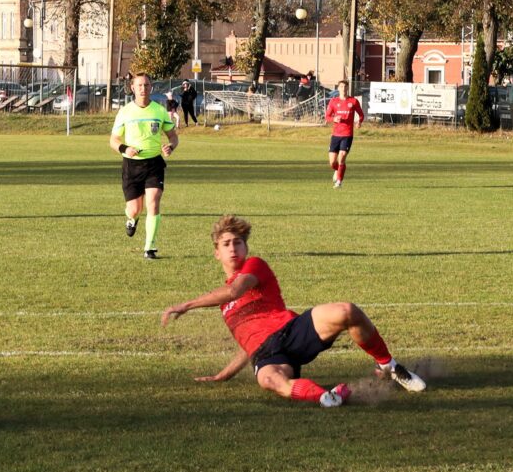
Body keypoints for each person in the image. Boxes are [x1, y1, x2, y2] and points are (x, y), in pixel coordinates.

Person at [161, 215, 427, 408]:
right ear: (216, 253)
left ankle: (389, 366)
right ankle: (327, 397)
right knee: (270, 381)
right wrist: (224, 374)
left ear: (246, 248)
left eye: (238, 242)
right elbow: (248, 344)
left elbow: (235, 291)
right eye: (226, 244)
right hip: (267, 354)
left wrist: (186, 305)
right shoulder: (223, 306)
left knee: (347, 310)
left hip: (290, 330)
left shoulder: (254, 266)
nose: (233, 248)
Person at [108, 73, 179, 259]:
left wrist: (170, 147)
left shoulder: (159, 111)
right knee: (134, 209)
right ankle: (132, 219)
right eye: (139, 85)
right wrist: (125, 148)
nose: (143, 88)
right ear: (132, 88)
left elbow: (173, 136)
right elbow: (113, 140)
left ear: (151, 87)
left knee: (153, 202)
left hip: (154, 163)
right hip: (131, 166)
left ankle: (150, 247)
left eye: (146, 85)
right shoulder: (125, 112)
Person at [325, 80, 364, 188]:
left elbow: (361, 115)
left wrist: (359, 122)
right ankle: (338, 171)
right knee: (332, 162)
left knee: (341, 157)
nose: (343, 88)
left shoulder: (353, 101)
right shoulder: (333, 101)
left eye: (345, 86)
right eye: (341, 86)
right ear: (338, 88)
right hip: (335, 135)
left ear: (348, 88)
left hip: (347, 135)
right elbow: (327, 117)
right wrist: (334, 119)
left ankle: (339, 182)